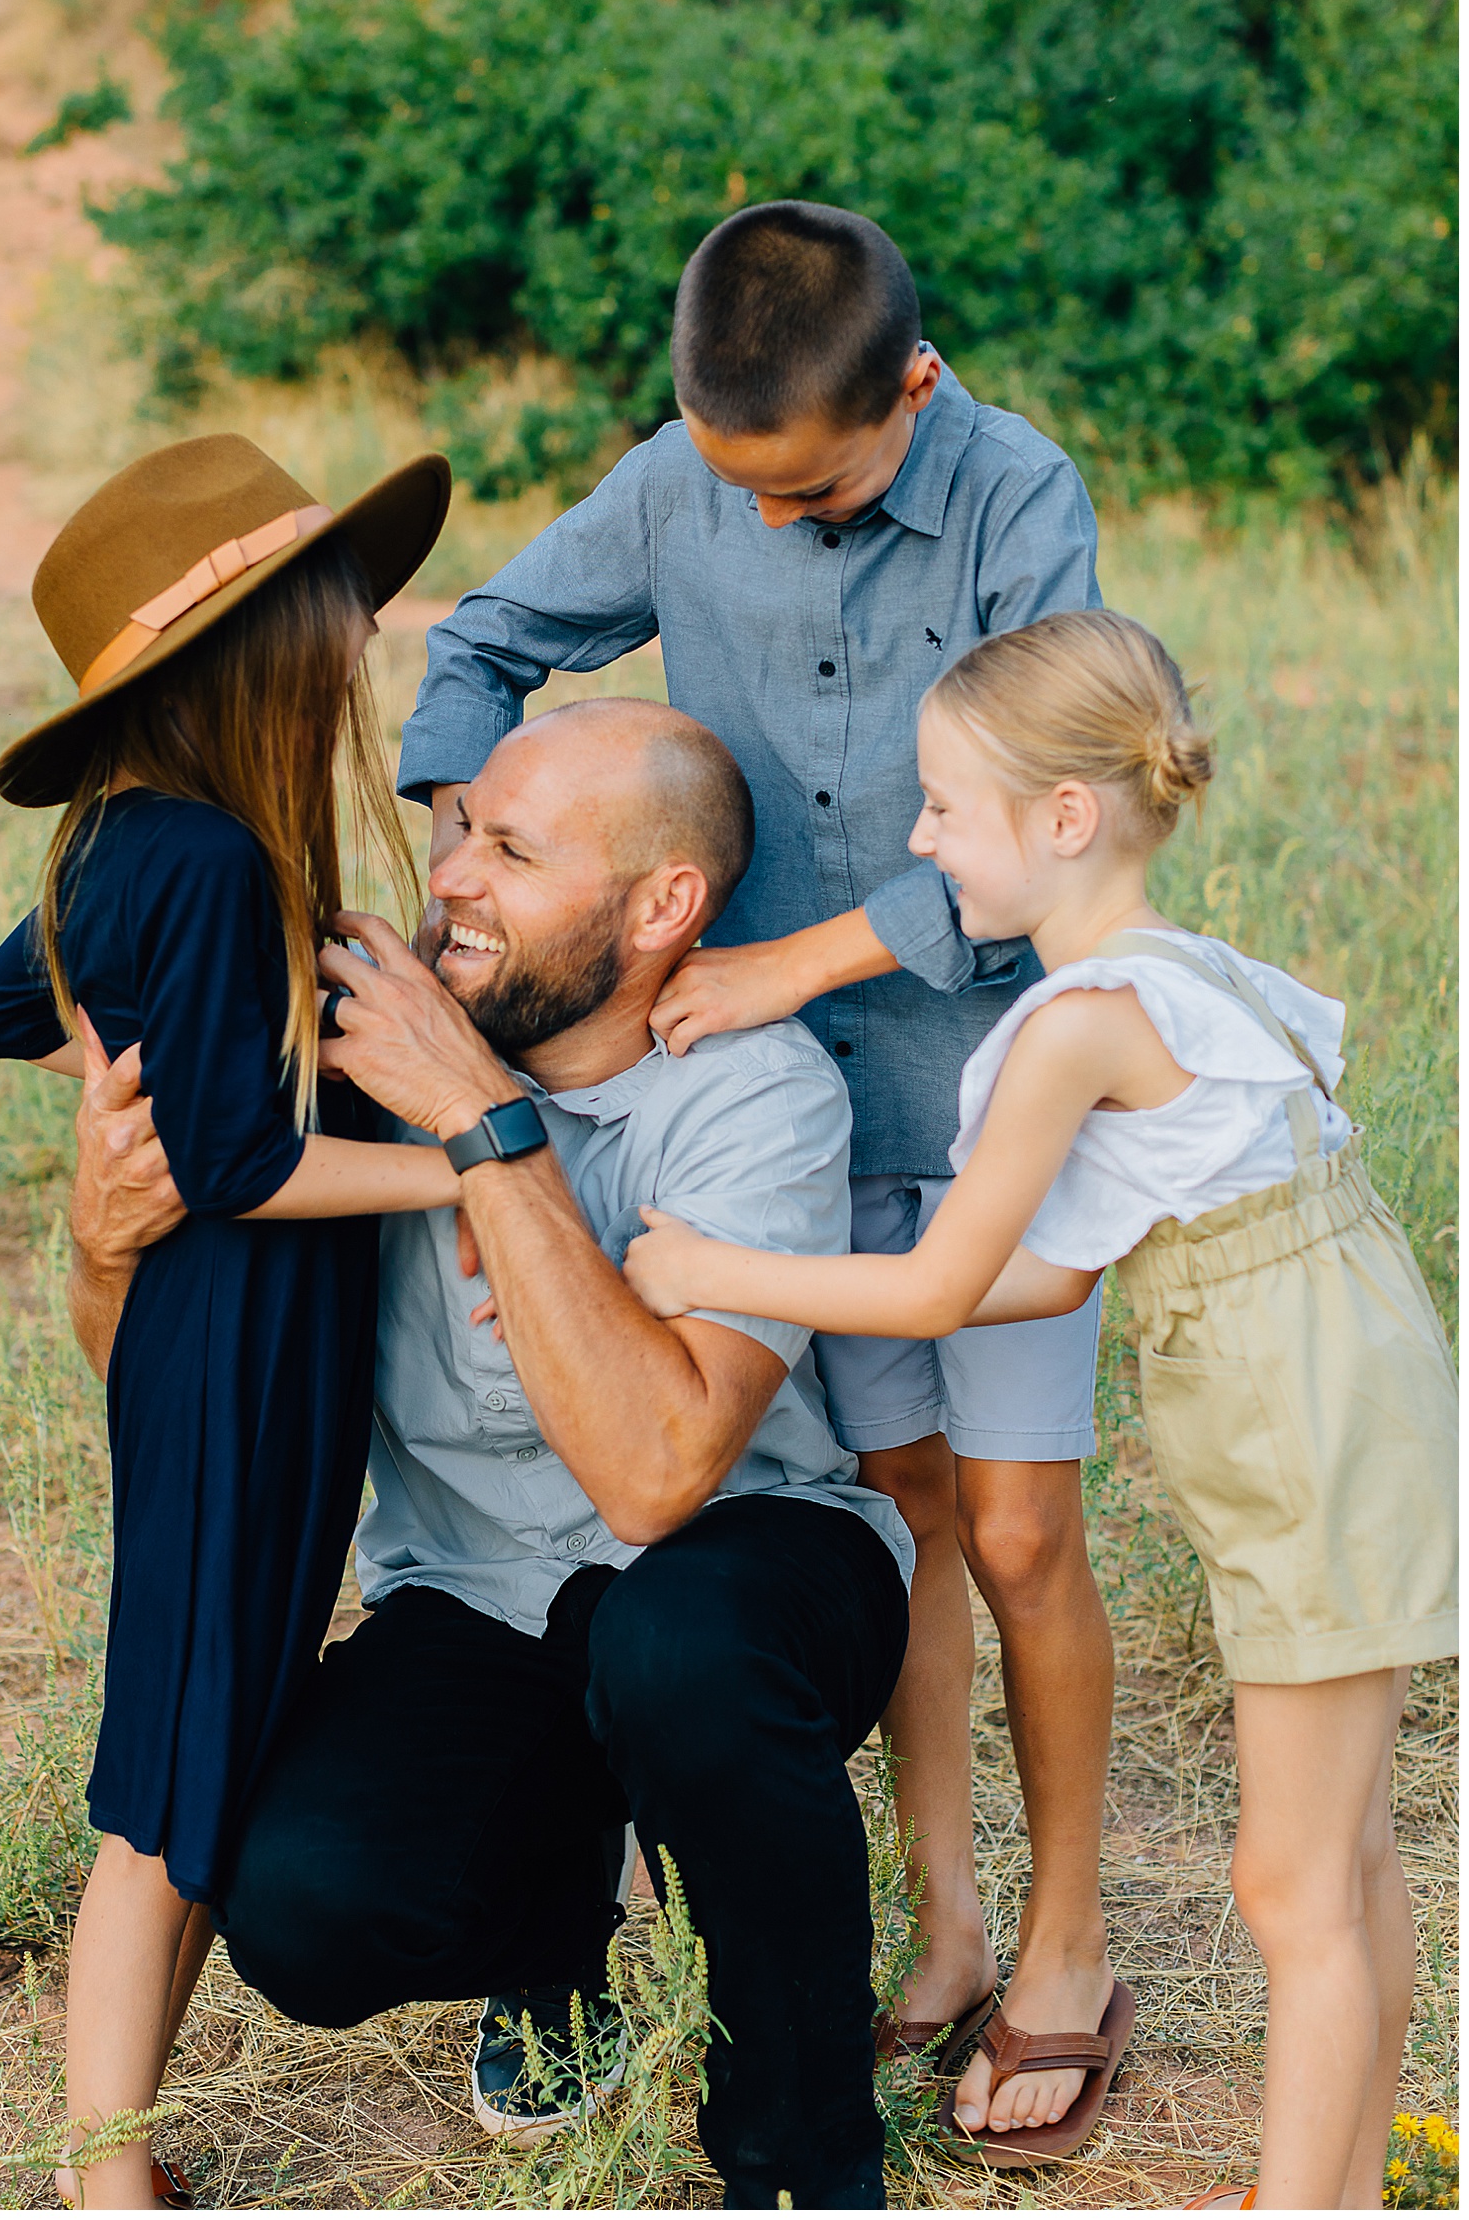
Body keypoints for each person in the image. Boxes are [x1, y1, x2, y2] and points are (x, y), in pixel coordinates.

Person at [397, 197, 1117, 2153]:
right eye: (745, 491)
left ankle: (1067, 1938)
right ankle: (948, 1915)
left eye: (820, 489)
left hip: (988, 1093)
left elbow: (1062, 823)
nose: (776, 522)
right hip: (784, 1134)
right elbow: (488, 639)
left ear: (917, 384)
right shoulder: (675, 480)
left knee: (1030, 1530)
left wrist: (795, 955)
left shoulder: (1014, 500)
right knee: (906, 1515)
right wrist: (466, 847)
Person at [623, 608, 1459, 2205]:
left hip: (1310, 1439)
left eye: (941, 806)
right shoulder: (1185, 976)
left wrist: (717, 1264)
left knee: (1293, 1884)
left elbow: (941, 1285)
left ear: (1063, 819)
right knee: (1345, 1861)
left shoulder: (1075, 1024)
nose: (919, 838)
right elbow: (1045, 1274)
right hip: (1348, 1404)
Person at [66, 694, 917, 2211]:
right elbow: (164, 1373)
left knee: (675, 1647)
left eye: (512, 850)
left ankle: (801, 2160)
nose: (449, 874)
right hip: (479, 1589)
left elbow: (657, 1475)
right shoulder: (335, 1074)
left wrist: (483, 1122)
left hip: (749, 1562)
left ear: (662, 906)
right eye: (460, 828)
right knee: (309, 1904)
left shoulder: (756, 1093)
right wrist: (104, 1246)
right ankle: (557, 1952)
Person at [0, 433, 462, 2211]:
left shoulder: (146, 842)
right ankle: (105, 2185)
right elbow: (244, 1164)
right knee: (166, 1787)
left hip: (245, 1349)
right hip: (236, 1340)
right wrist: (471, 1169)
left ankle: (132, 2149)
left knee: (218, 1732)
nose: (362, 622)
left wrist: (150, 1021)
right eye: (331, 598)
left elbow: (1, 998)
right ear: (250, 648)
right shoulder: (196, 859)